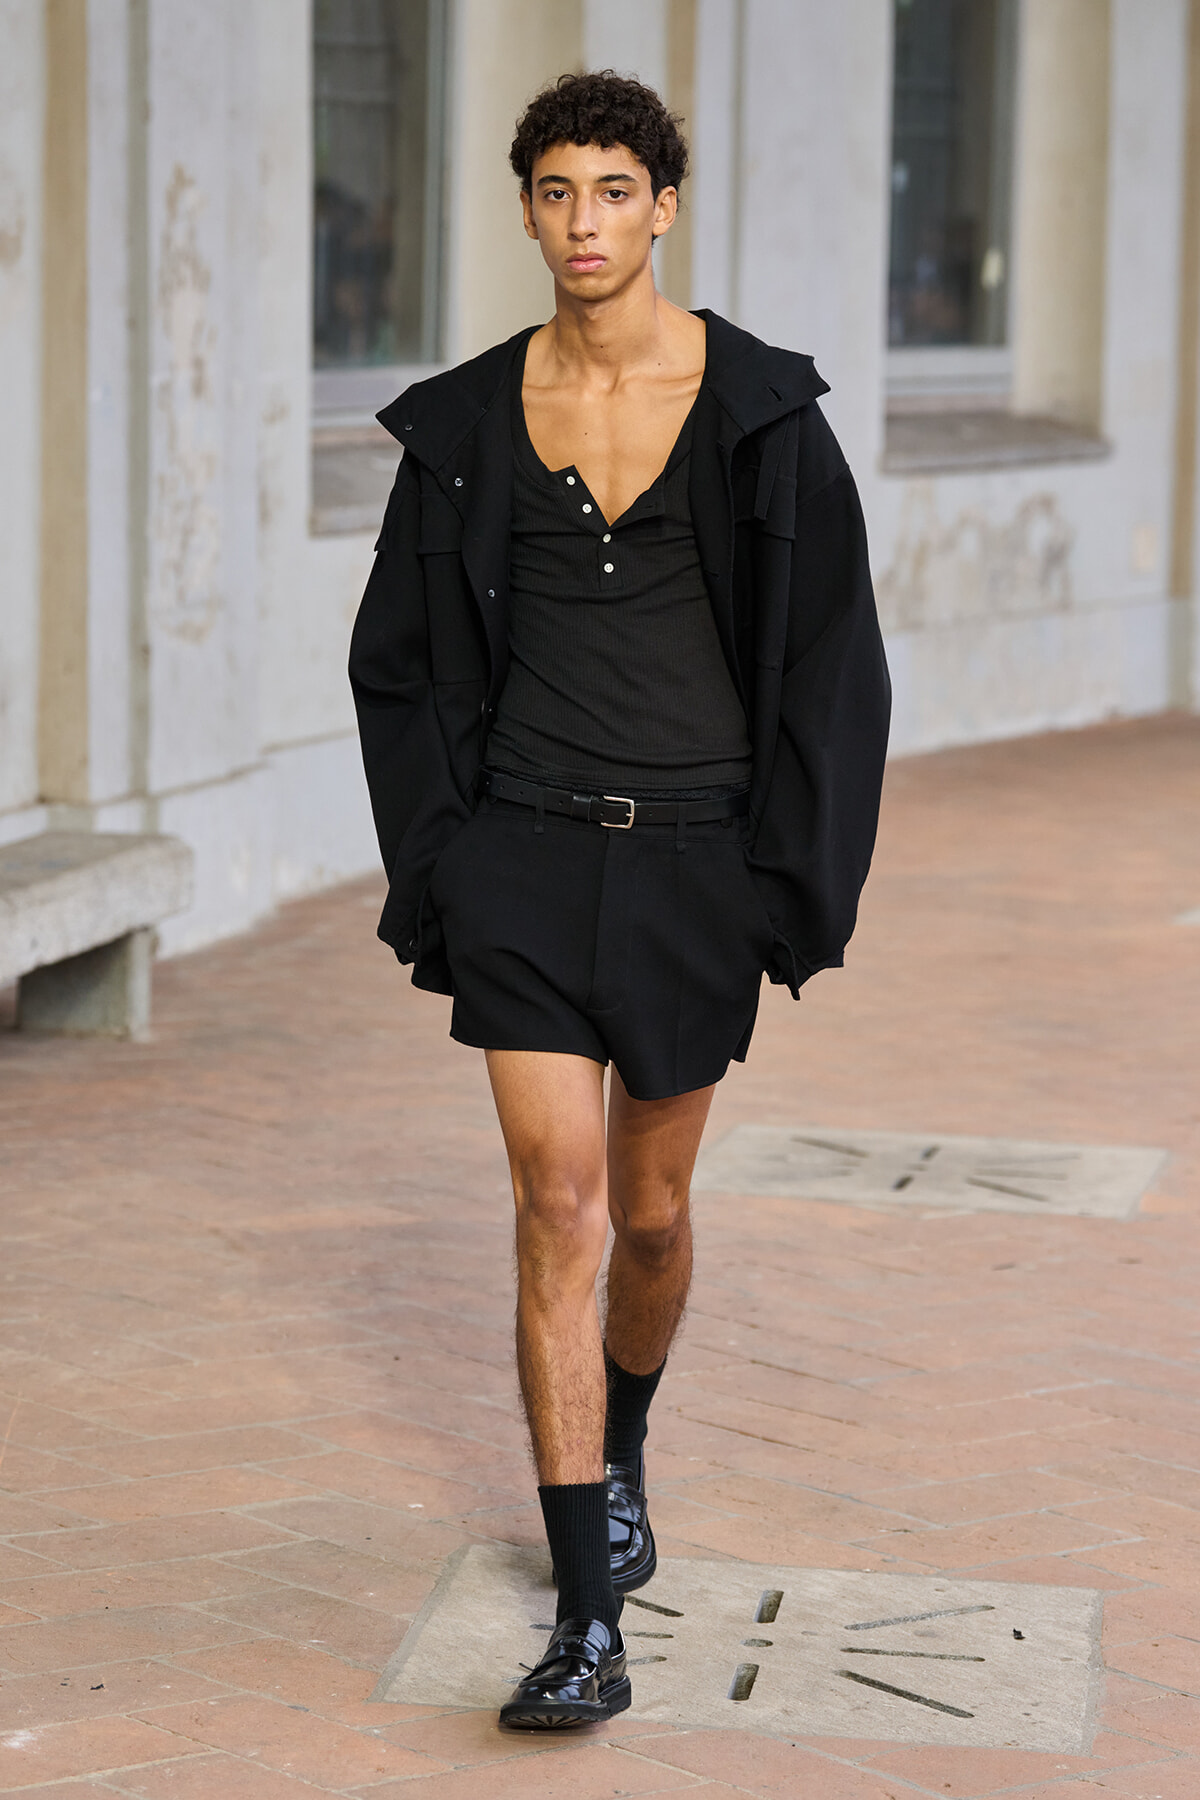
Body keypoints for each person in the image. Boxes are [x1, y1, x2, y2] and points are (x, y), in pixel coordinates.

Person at [349, 70, 890, 1730]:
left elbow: (833, 674)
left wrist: (784, 890)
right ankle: (589, 1619)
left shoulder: (761, 416)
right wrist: (439, 867)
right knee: (558, 1206)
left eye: (612, 192)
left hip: (688, 870)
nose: (583, 224)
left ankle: (627, 1443)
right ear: (526, 211)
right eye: (555, 192)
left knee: (649, 1218)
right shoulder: (458, 430)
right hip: (519, 856)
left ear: (663, 209)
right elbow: (399, 666)